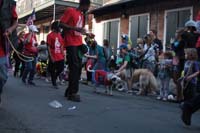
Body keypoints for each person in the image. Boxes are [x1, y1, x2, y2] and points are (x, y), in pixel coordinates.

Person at [60, 0, 91, 102]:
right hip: (70, 43)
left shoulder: (82, 16)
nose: (88, 8)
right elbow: (61, 24)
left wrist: (88, 34)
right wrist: (75, 29)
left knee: (77, 69)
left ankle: (69, 90)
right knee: (75, 67)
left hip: (78, 43)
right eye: (88, 6)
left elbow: (80, 30)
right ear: (85, 5)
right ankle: (73, 93)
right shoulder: (71, 11)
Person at [0, 0, 18, 104]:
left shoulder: (9, 3)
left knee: (3, 76)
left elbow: (15, 22)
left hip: (2, 47)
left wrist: (10, 29)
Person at [47, 21, 64, 89]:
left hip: (60, 55)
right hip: (53, 55)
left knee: (61, 68)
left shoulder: (60, 35)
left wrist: (63, 55)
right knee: (52, 70)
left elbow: (62, 45)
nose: (60, 28)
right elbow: (48, 47)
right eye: (59, 27)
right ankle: (54, 83)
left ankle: (54, 77)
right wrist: (51, 57)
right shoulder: (50, 35)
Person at [171, 28, 185, 102]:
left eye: (177, 33)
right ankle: (179, 94)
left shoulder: (182, 41)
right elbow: (174, 50)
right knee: (175, 78)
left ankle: (179, 96)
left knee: (178, 78)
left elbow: (175, 49)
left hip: (180, 60)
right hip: (175, 59)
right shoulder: (177, 41)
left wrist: (172, 44)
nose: (175, 34)